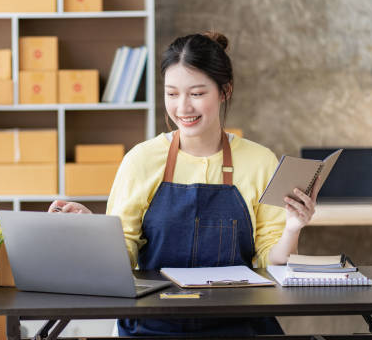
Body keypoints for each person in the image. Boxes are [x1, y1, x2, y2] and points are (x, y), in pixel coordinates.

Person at [48, 32, 320, 337]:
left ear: (224, 91)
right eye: (172, 93)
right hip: (152, 326)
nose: (182, 108)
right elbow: (124, 252)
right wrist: (95, 232)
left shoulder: (260, 161)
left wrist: (293, 227)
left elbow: (273, 259)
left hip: (238, 324)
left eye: (197, 93)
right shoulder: (141, 159)